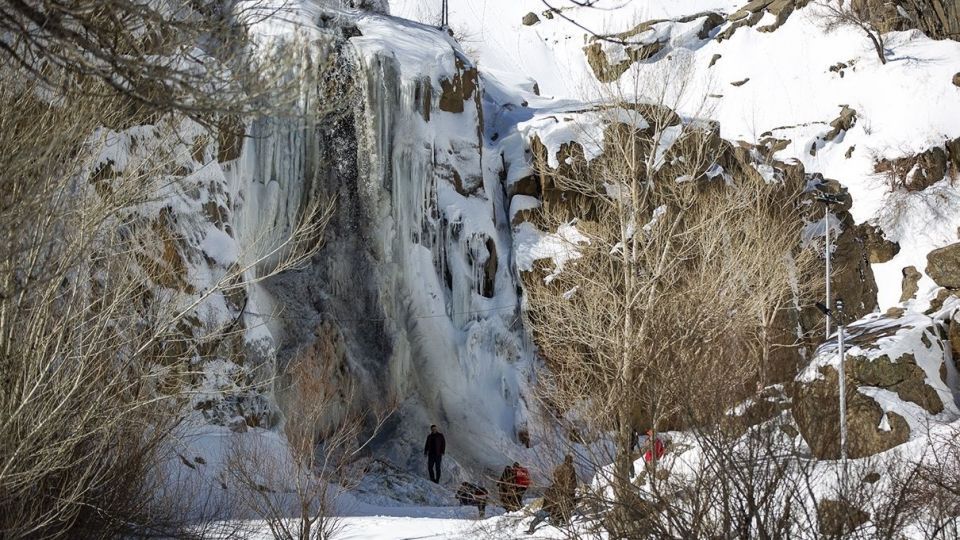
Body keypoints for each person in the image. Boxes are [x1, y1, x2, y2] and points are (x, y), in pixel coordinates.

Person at [527, 455, 577, 534]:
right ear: (571, 461)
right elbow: (573, 484)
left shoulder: (559, 467)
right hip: (561, 493)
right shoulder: (571, 469)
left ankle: (532, 525)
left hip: (552, 490)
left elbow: (554, 475)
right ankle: (556, 522)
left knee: (545, 510)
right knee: (561, 508)